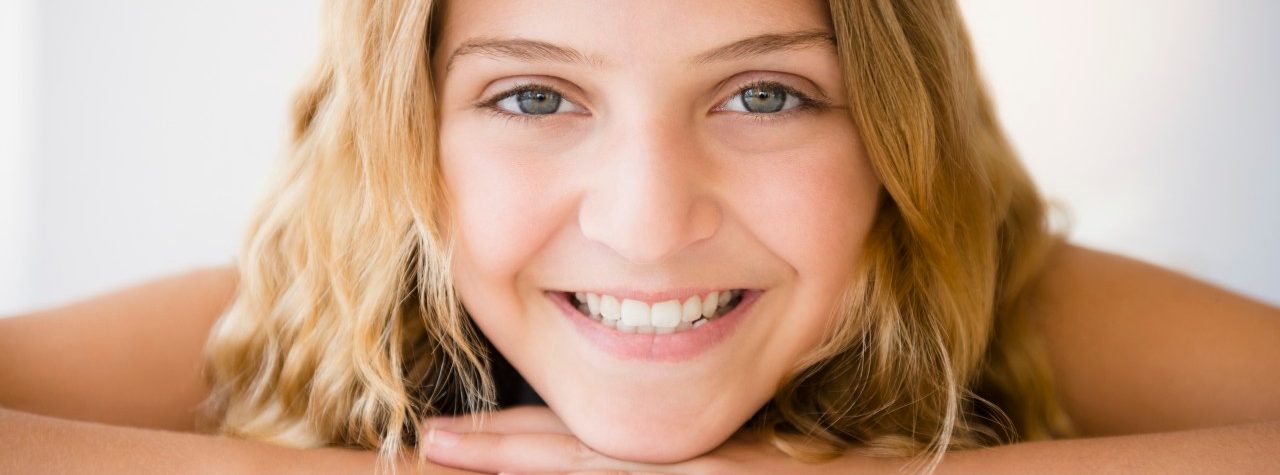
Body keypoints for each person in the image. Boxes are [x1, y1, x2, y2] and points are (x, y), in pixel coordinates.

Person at [2, 0, 1278, 473]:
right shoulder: (338, 294)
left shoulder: (988, 292)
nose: (648, 224)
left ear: (893, 139)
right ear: (405, 143)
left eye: (763, 95)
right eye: (534, 97)